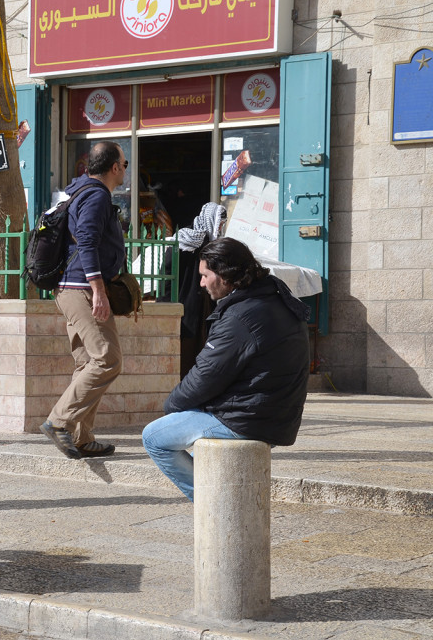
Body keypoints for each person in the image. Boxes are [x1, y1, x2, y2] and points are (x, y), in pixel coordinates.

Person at [142, 237, 311, 501]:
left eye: (205, 275)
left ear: (224, 275)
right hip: (277, 417)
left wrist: (172, 406)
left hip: (248, 419)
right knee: (200, 450)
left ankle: (215, 505)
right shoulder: (275, 298)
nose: (201, 283)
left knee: (154, 436)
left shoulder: (239, 317)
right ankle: (223, 494)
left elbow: (205, 377)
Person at [40, 141, 128, 459]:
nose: (125, 170)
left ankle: (81, 437)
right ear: (114, 167)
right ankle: (58, 422)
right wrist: (99, 291)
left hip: (67, 287)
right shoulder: (96, 194)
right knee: (108, 359)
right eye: (124, 163)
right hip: (81, 288)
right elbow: (88, 241)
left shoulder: (76, 189)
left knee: (87, 363)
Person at [163, 202, 227, 377]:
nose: (221, 227)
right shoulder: (188, 238)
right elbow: (169, 270)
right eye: (219, 223)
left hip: (202, 302)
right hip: (186, 300)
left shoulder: (211, 243)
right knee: (187, 348)